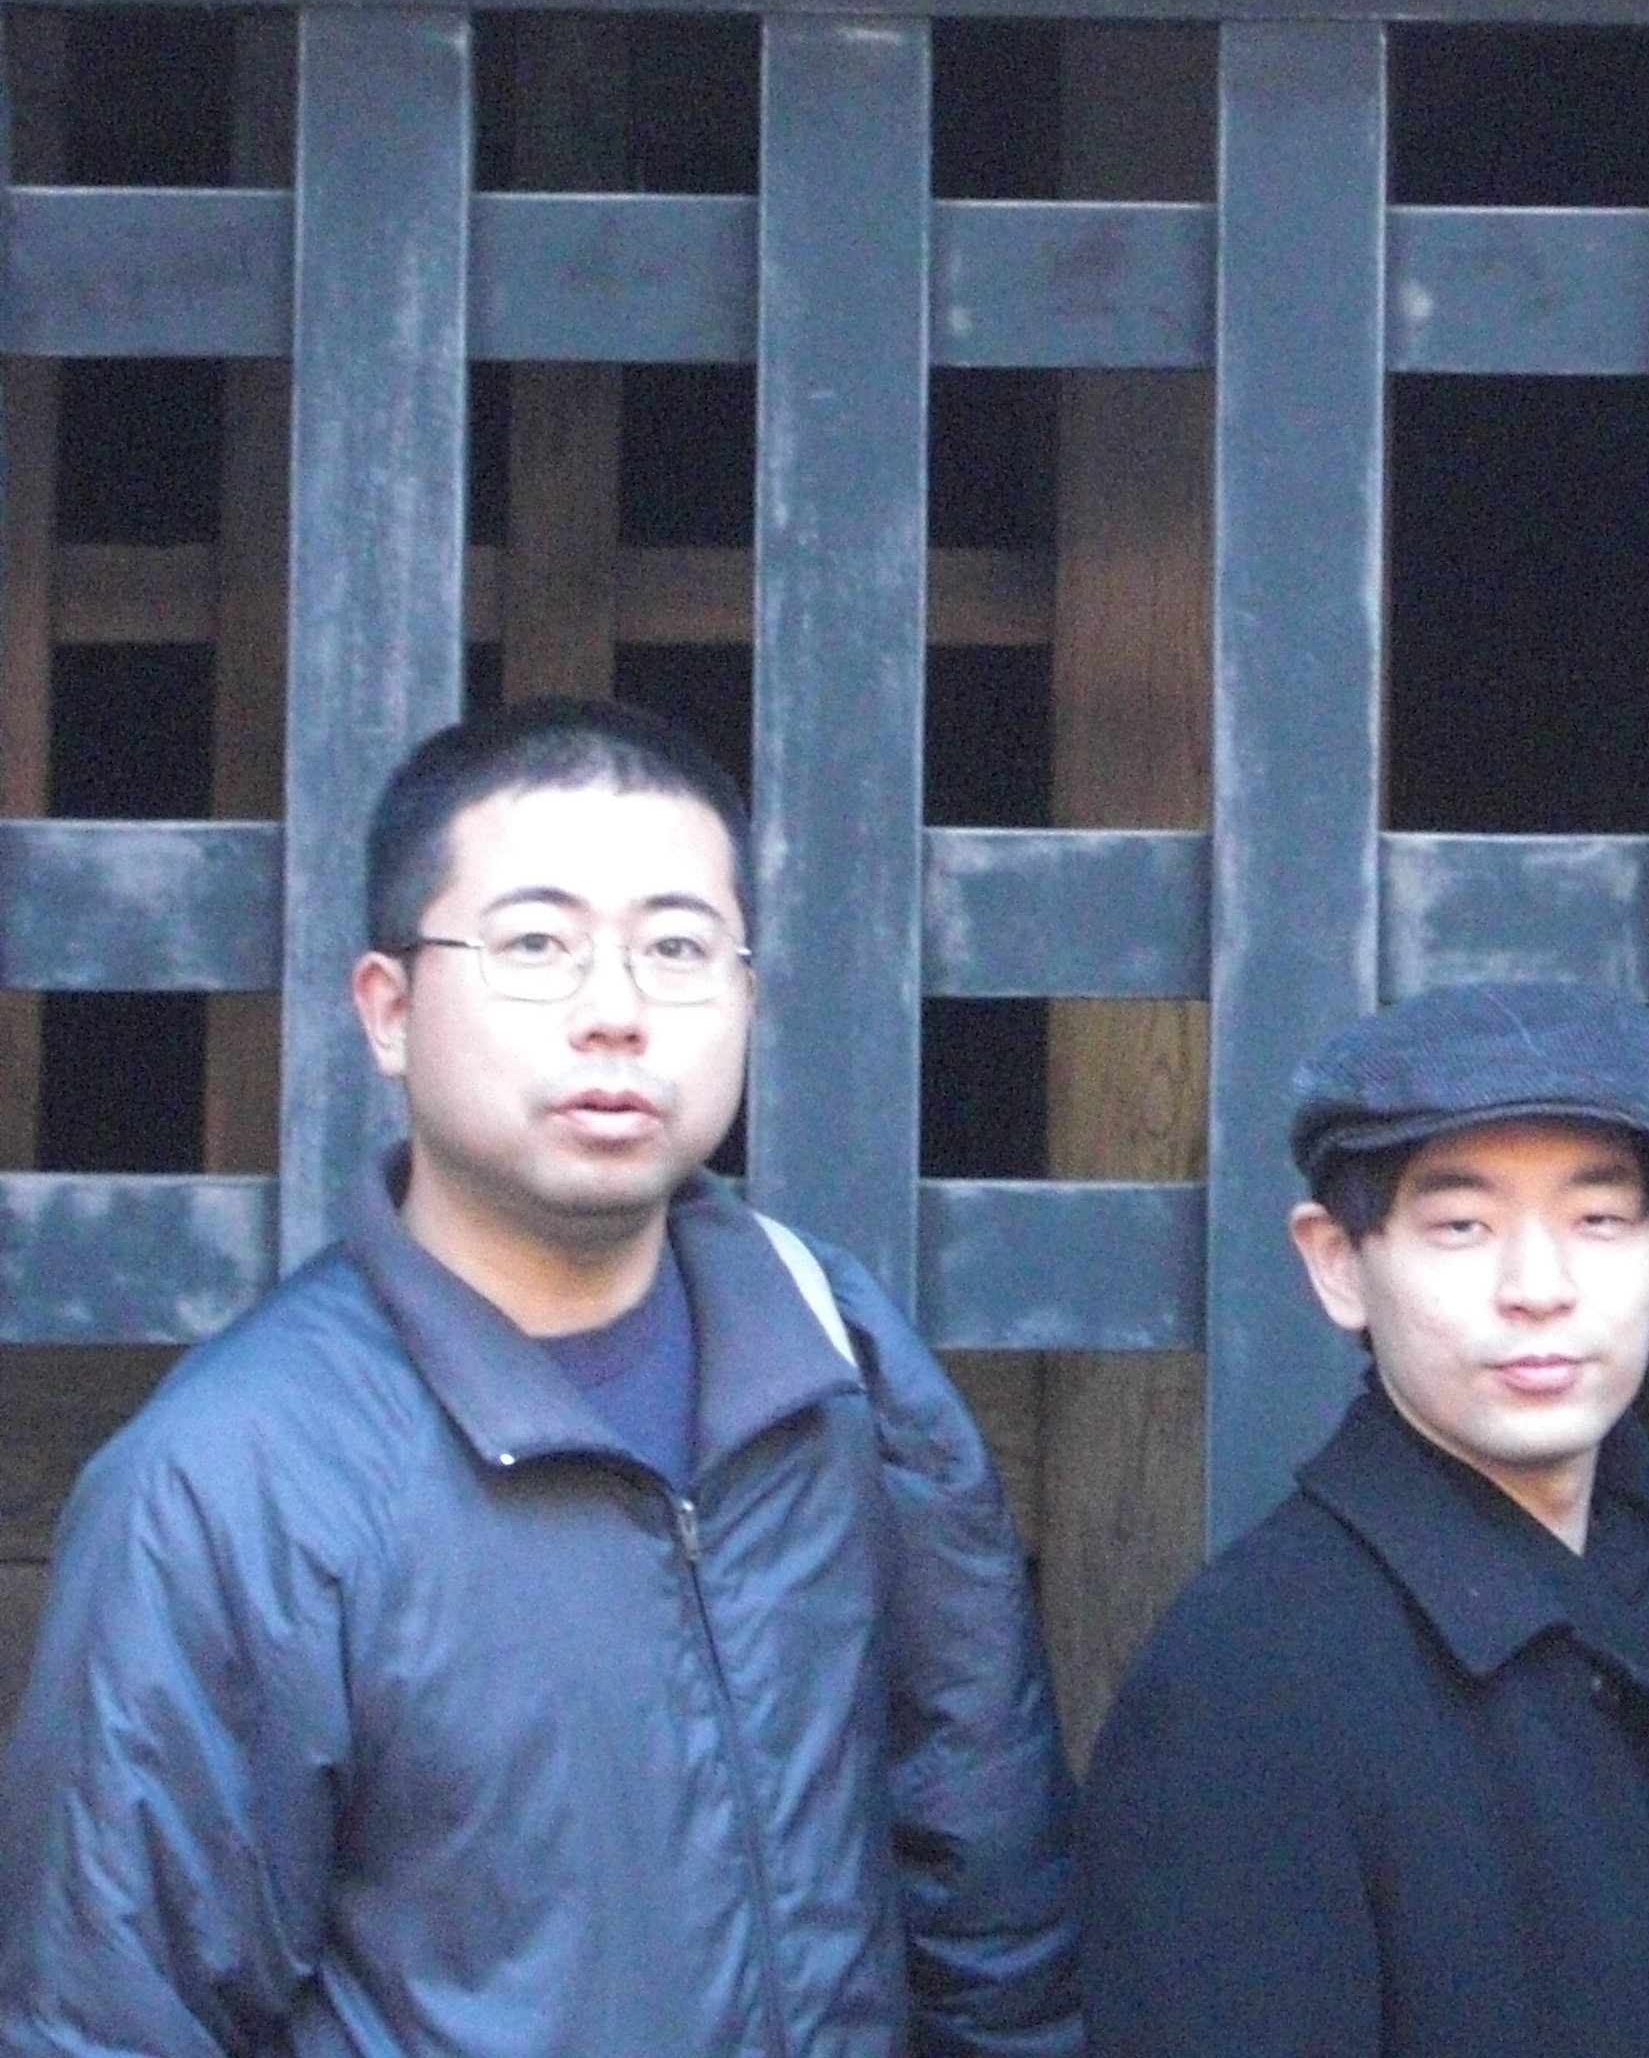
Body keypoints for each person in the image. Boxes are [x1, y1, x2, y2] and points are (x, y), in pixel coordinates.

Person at [0, 697, 1079, 2058]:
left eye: (677, 948)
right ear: (389, 1011)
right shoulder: (232, 1480)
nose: (615, 1013)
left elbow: (985, 1886)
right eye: (535, 946)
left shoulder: (837, 1356)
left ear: (748, 996)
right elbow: (114, 2013)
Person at [1078, 979, 1649, 2058]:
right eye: (1462, 1226)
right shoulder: (1251, 1680)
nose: (1538, 1286)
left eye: (1597, 1220)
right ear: (1338, 1263)